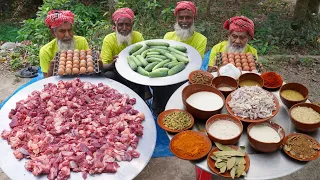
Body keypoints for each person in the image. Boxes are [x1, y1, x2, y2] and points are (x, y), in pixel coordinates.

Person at [100, 8, 151, 100]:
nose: (124, 28)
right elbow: (104, 65)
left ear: (132, 25)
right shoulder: (109, 40)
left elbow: (145, 55)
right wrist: (112, 64)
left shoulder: (138, 36)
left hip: (135, 72)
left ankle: (142, 96)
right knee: (108, 75)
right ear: (114, 26)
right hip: (117, 72)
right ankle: (117, 98)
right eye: (120, 25)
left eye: (127, 24)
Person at [40, 10, 89, 77]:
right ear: (53, 33)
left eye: (69, 30)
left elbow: (88, 68)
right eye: (62, 31)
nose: (67, 35)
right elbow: (46, 80)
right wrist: (51, 69)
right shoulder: (46, 51)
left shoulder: (81, 41)